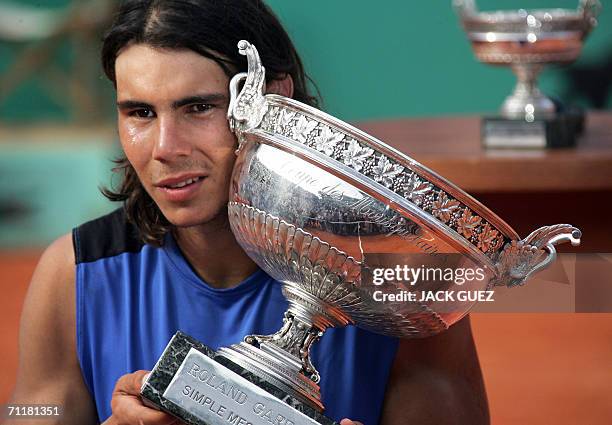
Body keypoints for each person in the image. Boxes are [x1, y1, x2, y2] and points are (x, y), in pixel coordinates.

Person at [7, 1, 490, 424]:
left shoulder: (399, 278)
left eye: (197, 107)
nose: (164, 148)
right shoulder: (73, 275)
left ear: (274, 99)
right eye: (140, 113)